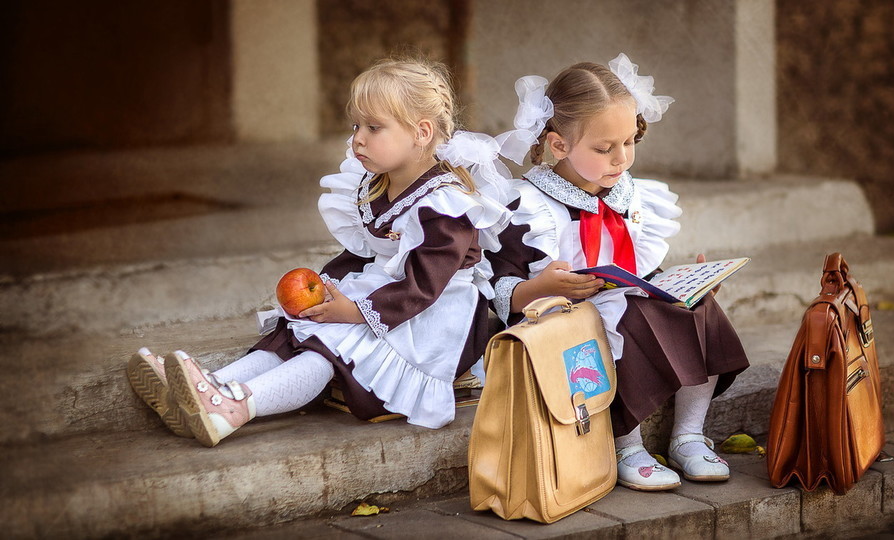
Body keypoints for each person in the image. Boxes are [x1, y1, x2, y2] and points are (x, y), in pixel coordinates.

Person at [126, 58, 511, 447]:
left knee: (327, 351)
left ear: (421, 133)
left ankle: (238, 407)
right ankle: (213, 385)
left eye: (374, 127)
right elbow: (362, 253)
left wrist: (358, 311)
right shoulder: (377, 184)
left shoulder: (446, 204)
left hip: (431, 319)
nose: (358, 138)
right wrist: (327, 288)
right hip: (388, 294)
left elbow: (424, 286)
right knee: (293, 332)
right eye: (356, 125)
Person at [488, 53, 749, 491]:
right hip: (562, 316)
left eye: (630, 143)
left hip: (625, 297)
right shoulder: (530, 208)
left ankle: (687, 434)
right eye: (604, 148)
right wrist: (541, 286)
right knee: (625, 319)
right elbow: (498, 287)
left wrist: (691, 282)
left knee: (693, 305)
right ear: (559, 145)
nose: (621, 159)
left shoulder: (633, 195)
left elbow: (642, 267)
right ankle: (626, 444)